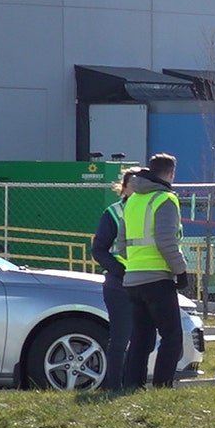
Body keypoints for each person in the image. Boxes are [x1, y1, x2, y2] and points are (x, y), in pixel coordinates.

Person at [120, 153, 189, 389]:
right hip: (158, 278)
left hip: (132, 279)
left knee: (141, 337)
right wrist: (180, 271)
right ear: (171, 174)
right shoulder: (165, 199)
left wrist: (135, 265)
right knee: (171, 337)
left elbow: (121, 245)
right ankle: (162, 386)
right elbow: (166, 241)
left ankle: (132, 385)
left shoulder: (132, 201)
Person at [91, 166, 142, 391]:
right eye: (134, 183)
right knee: (120, 337)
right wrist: (118, 270)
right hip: (119, 284)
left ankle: (134, 384)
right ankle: (114, 386)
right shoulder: (114, 212)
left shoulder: (151, 210)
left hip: (145, 281)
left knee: (142, 338)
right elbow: (99, 249)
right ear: (124, 187)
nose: (138, 187)